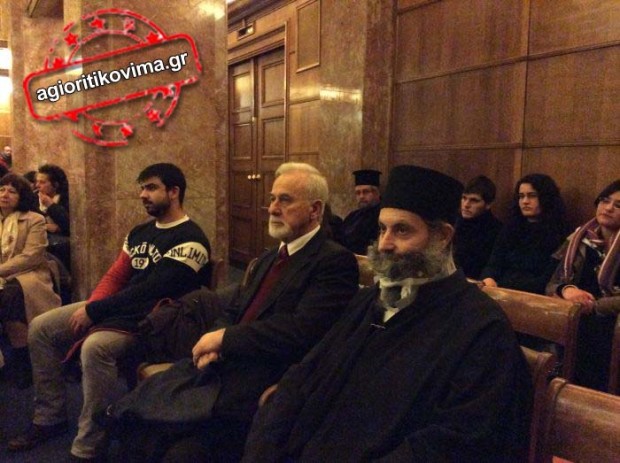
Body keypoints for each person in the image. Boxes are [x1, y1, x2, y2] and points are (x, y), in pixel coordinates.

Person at [242, 165, 532, 462]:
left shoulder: (481, 328)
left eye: (402, 230)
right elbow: (306, 374)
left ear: (443, 236)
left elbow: (455, 443)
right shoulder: (370, 301)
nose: (384, 244)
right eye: (382, 229)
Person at [110, 162, 359, 462]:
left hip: (266, 375)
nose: (272, 208)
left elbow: (301, 330)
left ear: (315, 209)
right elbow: (234, 309)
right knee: (138, 428)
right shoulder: (269, 258)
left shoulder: (333, 261)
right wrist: (215, 339)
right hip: (227, 364)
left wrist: (224, 339)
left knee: (177, 450)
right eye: (272, 198)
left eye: (285, 200)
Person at [8, 163, 212, 462]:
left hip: (158, 321)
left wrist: (96, 311)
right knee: (41, 327)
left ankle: (90, 444)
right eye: (141, 188)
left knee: (96, 347)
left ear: (174, 191)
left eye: (151, 188)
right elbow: (116, 277)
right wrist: (91, 307)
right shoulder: (140, 232)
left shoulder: (191, 239)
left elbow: (151, 291)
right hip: (121, 309)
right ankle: (50, 417)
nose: (143, 195)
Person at [547, 179, 620, 391]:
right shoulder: (581, 238)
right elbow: (553, 283)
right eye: (605, 200)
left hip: (609, 324)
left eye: (618, 205)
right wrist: (567, 290)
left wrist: (594, 306)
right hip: (575, 315)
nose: (608, 208)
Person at [0, 174, 60, 389]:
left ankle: (23, 362)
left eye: (12, 191)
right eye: (2, 189)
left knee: (11, 296)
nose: (5, 194)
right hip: (4, 275)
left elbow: (31, 256)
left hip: (29, 275)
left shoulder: (34, 219)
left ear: (22, 196)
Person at [481, 173, 568, 294]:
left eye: (532, 196)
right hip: (501, 290)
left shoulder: (558, 232)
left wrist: (507, 286)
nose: (525, 201)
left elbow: (548, 279)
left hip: (534, 295)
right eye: (521, 196)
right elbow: (494, 263)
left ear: (545, 198)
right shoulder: (510, 228)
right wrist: (489, 278)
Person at [454, 175, 503, 279]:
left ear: (488, 204)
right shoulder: (453, 222)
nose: (466, 205)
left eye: (474, 200)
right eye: (464, 198)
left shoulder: (496, 230)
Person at [36, 164, 71, 270]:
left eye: (42, 182)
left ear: (55, 184)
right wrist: (46, 226)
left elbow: (68, 226)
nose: (37, 185)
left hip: (60, 246)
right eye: (37, 182)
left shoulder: (67, 199)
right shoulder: (34, 198)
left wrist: (51, 205)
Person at [341, 169, 381, 254]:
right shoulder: (352, 216)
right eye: (358, 193)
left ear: (377, 193)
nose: (361, 196)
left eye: (366, 192)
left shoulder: (382, 216)